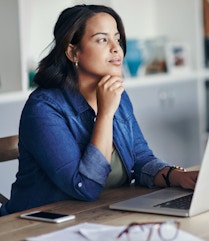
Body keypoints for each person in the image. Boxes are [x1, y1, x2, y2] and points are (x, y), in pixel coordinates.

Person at [0, 4, 198, 216]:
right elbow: (84, 186)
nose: (116, 48)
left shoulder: (116, 96)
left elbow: (141, 159)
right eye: (102, 39)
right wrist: (105, 113)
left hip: (97, 216)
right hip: (34, 227)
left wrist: (177, 176)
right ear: (73, 52)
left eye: (117, 39)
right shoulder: (44, 108)